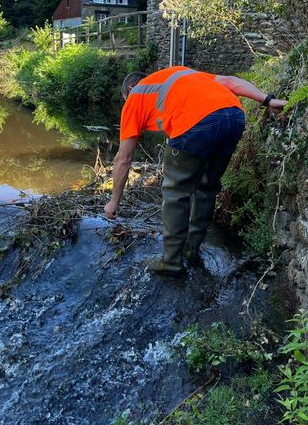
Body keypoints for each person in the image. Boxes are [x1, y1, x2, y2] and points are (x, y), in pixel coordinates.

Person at [103, 66, 286, 277]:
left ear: (129, 88)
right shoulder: (180, 75)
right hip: (234, 117)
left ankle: (171, 262)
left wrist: (114, 201)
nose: (127, 103)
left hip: (196, 123)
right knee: (207, 187)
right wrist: (268, 100)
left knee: (175, 192)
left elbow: (124, 159)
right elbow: (230, 80)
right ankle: (191, 251)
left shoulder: (136, 95)